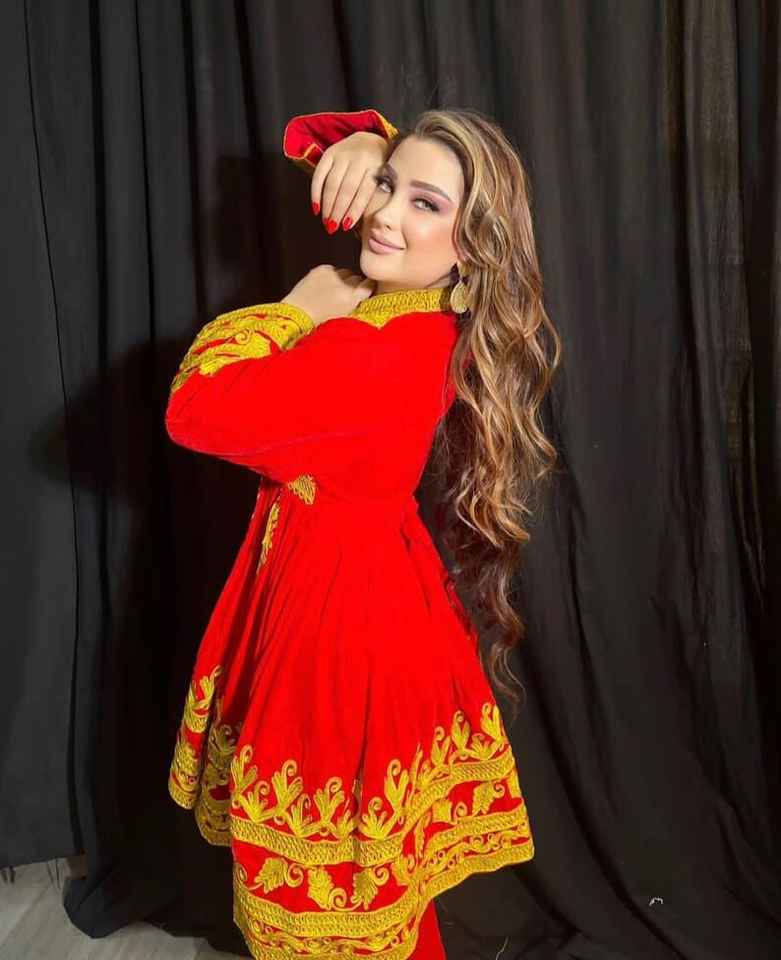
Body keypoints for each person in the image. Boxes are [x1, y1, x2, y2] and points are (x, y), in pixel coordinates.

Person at [165, 106, 561, 960]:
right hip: (359, 591)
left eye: (425, 204)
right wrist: (367, 139)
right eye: (386, 187)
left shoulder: (382, 352)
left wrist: (295, 310)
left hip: (336, 631)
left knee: (332, 897)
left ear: (472, 242)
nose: (383, 214)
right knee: (371, 896)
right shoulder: (412, 319)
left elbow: (193, 411)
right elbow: (314, 146)